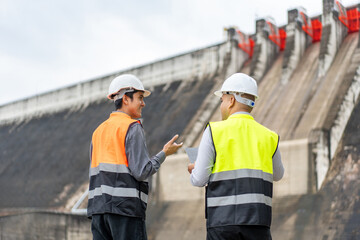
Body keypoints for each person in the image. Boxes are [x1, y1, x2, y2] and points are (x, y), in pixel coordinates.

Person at [188, 73, 284, 240]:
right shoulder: (270, 136)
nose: (221, 106)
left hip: (222, 223)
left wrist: (194, 168)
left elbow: (198, 179)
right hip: (258, 223)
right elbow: (278, 174)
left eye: (222, 101)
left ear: (231, 100)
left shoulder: (214, 131)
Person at [87, 74, 183, 240]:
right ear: (126, 99)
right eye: (140, 98)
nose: (143, 103)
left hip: (98, 211)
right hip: (125, 211)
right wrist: (164, 154)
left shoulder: (98, 131)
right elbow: (141, 171)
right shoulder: (132, 127)